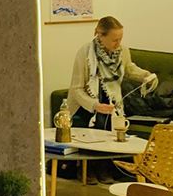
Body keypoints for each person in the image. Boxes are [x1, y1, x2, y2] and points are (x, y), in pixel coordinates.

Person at [66, 16, 158, 184]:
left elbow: (129, 69)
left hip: (111, 98)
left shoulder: (122, 50)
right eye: (114, 40)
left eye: (120, 39)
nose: (118, 43)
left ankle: (103, 168)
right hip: (86, 103)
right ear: (101, 35)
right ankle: (87, 169)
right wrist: (95, 105)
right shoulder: (84, 53)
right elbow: (76, 89)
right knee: (96, 126)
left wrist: (145, 75)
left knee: (110, 126)